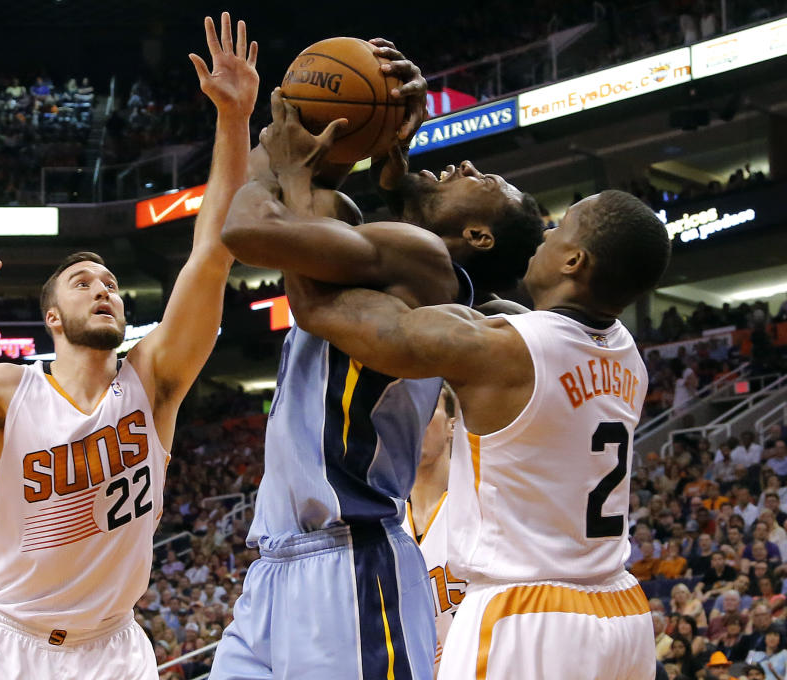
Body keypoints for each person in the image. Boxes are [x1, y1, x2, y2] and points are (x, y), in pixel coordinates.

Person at [0, 13, 258, 680]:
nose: (103, 289)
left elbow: (213, 253)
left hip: (115, 650)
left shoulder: (153, 380)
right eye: (82, 282)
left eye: (112, 283)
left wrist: (235, 119)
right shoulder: (7, 392)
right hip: (11, 645)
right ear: (53, 318)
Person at [212, 38, 542, 680]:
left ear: (478, 236)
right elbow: (317, 216)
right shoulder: (391, 257)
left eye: (487, 181)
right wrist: (365, 140)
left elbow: (249, 229)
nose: (468, 163)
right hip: (276, 567)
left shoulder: (426, 261)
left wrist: (287, 148)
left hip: (352, 565)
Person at [285, 189, 672, 678]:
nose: (547, 233)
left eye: (562, 227)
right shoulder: (625, 353)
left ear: (574, 260)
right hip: (622, 610)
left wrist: (299, 191)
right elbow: (509, 317)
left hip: (526, 614)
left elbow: (318, 310)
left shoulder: (501, 350)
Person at [401, 383, 466, 677]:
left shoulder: (484, 504)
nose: (411, 419)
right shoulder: (383, 519)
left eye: (425, 407)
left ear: (453, 425)